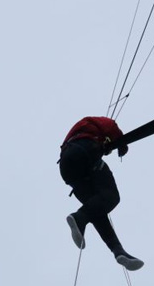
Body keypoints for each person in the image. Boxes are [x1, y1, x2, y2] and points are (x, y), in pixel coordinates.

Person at [59, 116, 144, 271]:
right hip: (83, 152)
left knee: (96, 209)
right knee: (111, 196)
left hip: (67, 168)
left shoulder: (76, 133)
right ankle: (78, 218)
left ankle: (118, 250)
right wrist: (122, 145)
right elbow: (111, 126)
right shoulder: (91, 122)